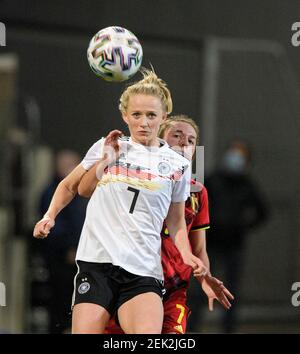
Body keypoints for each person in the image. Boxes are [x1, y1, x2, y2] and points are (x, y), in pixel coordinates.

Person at [33, 69, 207, 334]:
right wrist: (50, 215)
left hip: (143, 269)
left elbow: (176, 221)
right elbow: (73, 187)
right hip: (96, 264)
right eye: (136, 114)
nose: (144, 122)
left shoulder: (178, 165)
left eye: (151, 115)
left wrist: (186, 254)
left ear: (163, 118)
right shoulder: (109, 146)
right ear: (125, 115)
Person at [104, 115, 234, 334]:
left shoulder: (198, 192)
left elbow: (199, 248)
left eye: (191, 141)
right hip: (131, 282)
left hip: (173, 290)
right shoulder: (136, 179)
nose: (185, 143)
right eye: (177, 135)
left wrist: (205, 279)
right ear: (159, 141)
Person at [205, 139, 268, 333]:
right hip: (212, 243)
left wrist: (243, 226)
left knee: (231, 291)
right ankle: (190, 327)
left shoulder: (247, 185)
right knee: (202, 288)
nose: (236, 158)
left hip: (234, 244)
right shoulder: (213, 179)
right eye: (234, 153)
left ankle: (228, 328)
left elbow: (262, 211)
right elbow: (198, 205)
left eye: (241, 155)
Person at [34, 150, 87, 333]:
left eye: (72, 165)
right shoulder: (51, 192)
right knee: (61, 302)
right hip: (61, 259)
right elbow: (52, 224)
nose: (68, 169)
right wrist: (69, 248)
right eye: (64, 165)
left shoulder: (87, 190)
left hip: (86, 257)